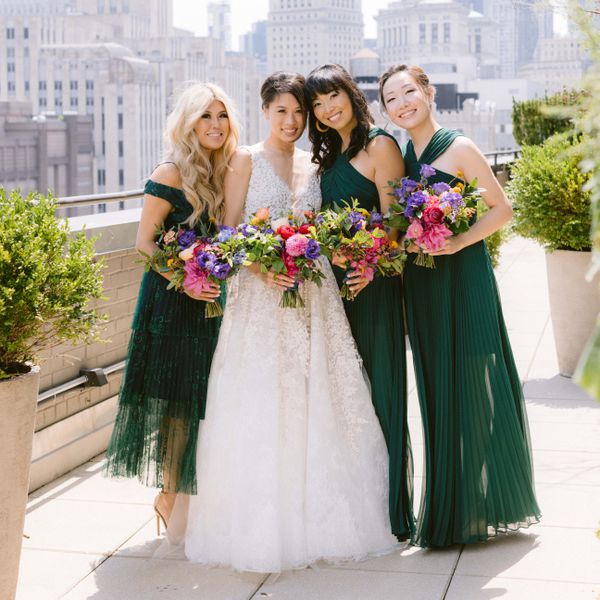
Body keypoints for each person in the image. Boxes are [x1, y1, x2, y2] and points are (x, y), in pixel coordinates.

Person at [175, 72, 397, 572]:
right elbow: (229, 231)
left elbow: (320, 224)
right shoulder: (244, 160)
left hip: (315, 292)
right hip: (261, 297)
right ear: (265, 112)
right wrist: (260, 266)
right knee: (264, 398)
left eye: (299, 112)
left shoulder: (313, 163)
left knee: (317, 394)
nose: (292, 121)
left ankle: (321, 514)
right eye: (282, 112)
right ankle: (265, 525)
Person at [379, 63, 541, 547]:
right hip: (424, 284)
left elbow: (502, 210)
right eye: (391, 98)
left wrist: (456, 243)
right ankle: (454, 503)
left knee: (473, 378)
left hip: (463, 276)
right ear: (385, 110)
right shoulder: (404, 153)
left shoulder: (460, 146)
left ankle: (479, 504)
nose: (402, 102)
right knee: (437, 384)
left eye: (409, 92)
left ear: (427, 93)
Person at [105, 82, 239, 533]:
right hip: (170, 299)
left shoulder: (226, 171)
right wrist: (186, 281)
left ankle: (191, 499)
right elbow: (142, 244)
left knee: (203, 396)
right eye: (206, 116)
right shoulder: (169, 173)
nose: (216, 125)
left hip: (210, 301)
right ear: (188, 122)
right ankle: (169, 495)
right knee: (177, 402)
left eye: (222, 116)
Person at [305, 64, 414, 541]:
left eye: (333, 97)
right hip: (334, 291)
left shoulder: (380, 145)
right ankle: (357, 506)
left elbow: (397, 221)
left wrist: (371, 263)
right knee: (348, 399)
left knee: (381, 387)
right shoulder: (328, 155)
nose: (328, 109)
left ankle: (394, 512)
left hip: (374, 286)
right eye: (317, 104)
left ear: (351, 93)